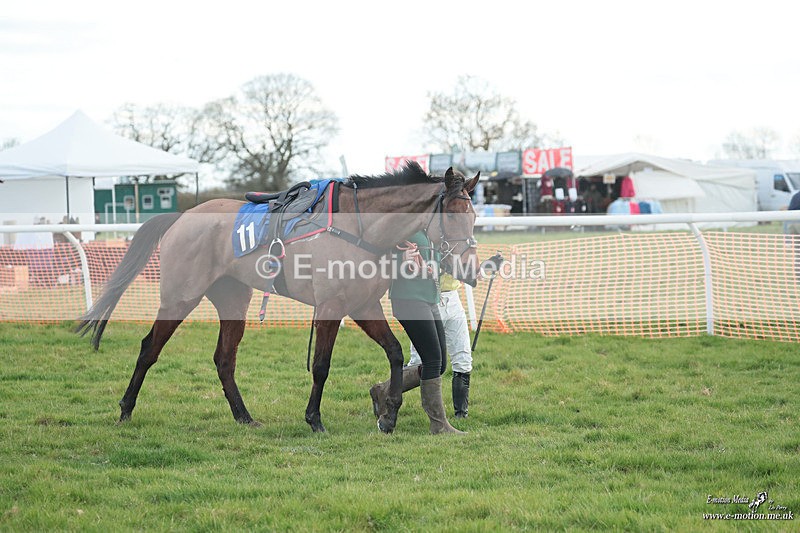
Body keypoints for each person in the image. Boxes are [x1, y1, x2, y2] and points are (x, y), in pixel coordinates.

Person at [368, 230, 463, 434]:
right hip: (408, 299)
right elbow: (377, 259)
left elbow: (438, 261)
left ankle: (383, 390)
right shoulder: (404, 224)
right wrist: (402, 259)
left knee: (439, 365)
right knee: (432, 362)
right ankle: (438, 425)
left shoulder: (432, 229)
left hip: (430, 298)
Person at [405, 251, 503, 418]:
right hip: (427, 303)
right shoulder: (432, 241)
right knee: (418, 362)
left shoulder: (461, 245)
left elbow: (474, 274)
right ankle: (386, 394)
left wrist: (488, 266)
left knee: (463, 359)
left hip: (453, 302)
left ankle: (461, 415)